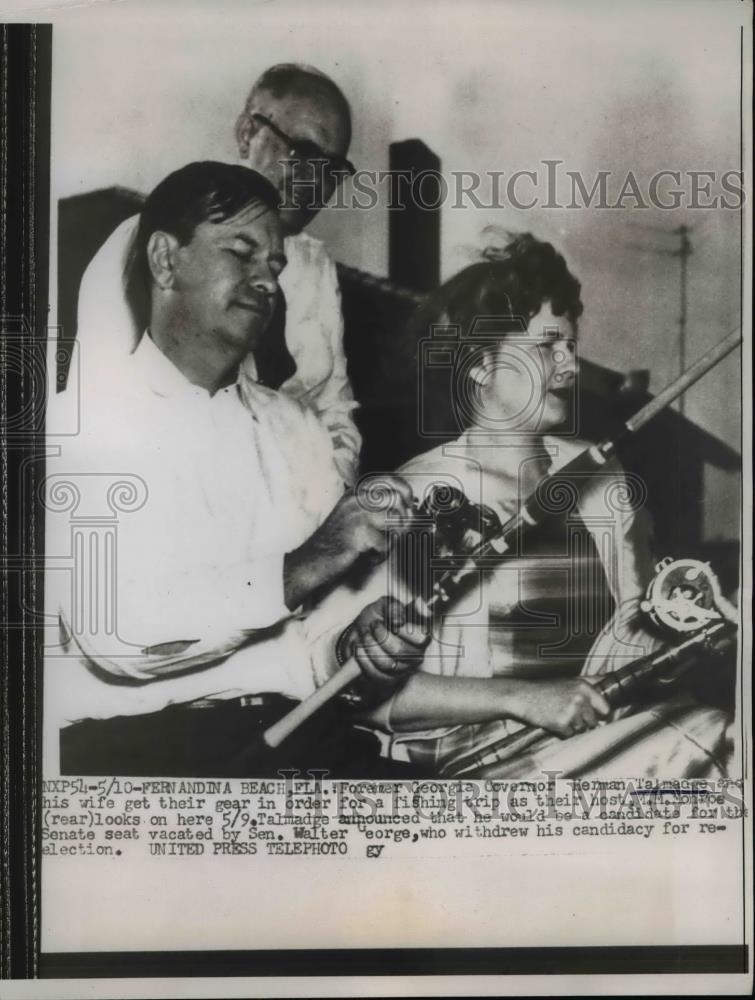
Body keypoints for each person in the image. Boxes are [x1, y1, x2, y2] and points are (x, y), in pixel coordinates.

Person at [45, 162, 421, 776]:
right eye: (240, 252)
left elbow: (313, 640)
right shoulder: (82, 424)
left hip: (291, 736)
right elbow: (117, 634)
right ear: (165, 261)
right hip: (141, 758)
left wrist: (357, 641)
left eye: (274, 266)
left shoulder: (296, 430)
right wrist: (309, 562)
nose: (266, 280)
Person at [322, 234, 735, 778]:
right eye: (546, 345)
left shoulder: (601, 476)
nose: (568, 364)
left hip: (610, 736)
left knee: (722, 725)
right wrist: (524, 698)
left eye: (570, 344)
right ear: (480, 365)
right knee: (711, 739)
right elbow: (368, 695)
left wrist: (704, 617)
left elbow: (628, 637)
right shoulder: (414, 494)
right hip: (479, 765)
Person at [74, 64, 361, 484]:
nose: (316, 183)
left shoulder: (317, 268)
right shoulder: (151, 243)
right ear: (247, 133)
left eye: (332, 170)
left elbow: (335, 411)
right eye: (305, 155)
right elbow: (106, 413)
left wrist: (328, 512)